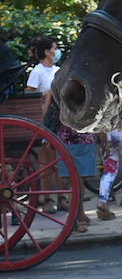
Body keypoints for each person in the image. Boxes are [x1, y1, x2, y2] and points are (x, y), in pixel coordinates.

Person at [24, 37, 63, 210]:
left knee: (61, 162)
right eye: (54, 48)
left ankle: (63, 196)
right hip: (44, 119)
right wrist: (46, 95)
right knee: (46, 163)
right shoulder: (37, 71)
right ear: (47, 52)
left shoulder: (59, 71)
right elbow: (28, 94)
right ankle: (46, 199)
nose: (57, 51)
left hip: (60, 120)